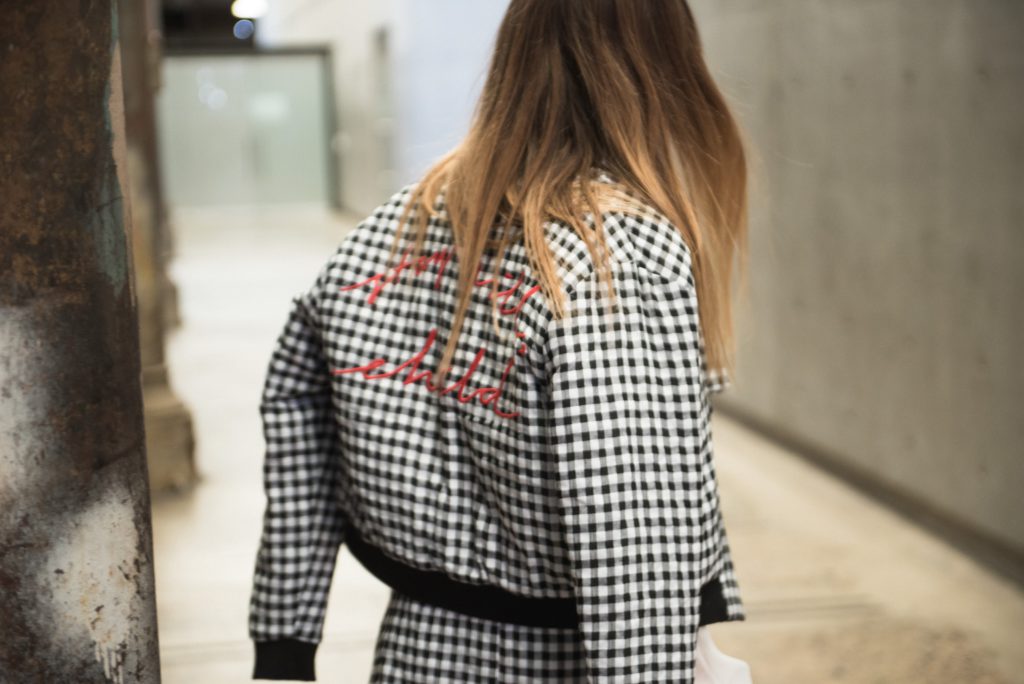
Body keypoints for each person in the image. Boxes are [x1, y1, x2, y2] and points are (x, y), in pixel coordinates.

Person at [247, 0, 751, 682]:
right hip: (559, 665)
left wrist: (285, 644)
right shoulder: (617, 254)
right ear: (664, 68)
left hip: (416, 655)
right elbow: (637, 554)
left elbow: (296, 401)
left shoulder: (394, 228)